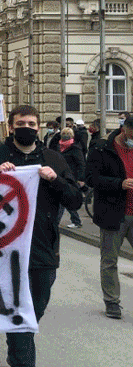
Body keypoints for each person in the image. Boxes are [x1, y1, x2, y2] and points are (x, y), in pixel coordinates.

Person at [0, 105, 82, 367]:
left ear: (39, 127)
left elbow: (75, 201)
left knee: (33, 314)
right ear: (11, 127)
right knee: (19, 317)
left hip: (42, 250)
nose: (27, 128)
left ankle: (18, 348)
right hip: (3, 250)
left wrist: (55, 179)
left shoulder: (53, 158)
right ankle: (21, 358)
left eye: (32, 124)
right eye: (21, 123)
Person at [85, 116, 133, 319]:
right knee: (110, 260)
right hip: (114, 213)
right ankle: (112, 302)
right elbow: (91, 179)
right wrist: (119, 183)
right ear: (125, 130)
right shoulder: (102, 148)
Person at [57, 127, 86, 229]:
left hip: (72, 177)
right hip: (62, 176)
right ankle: (76, 221)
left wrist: (81, 179)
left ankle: (56, 223)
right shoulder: (60, 146)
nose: (65, 135)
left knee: (63, 199)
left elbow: (81, 164)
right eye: (64, 133)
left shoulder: (75, 148)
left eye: (68, 134)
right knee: (65, 199)